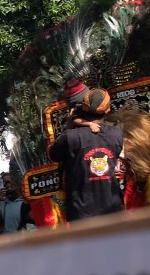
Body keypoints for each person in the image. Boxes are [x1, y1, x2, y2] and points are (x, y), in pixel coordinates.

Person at [49, 87, 125, 222]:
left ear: (84, 108)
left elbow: (52, 154)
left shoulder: (70, 137)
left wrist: (70, 123)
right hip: (113, 211)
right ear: (107, 110)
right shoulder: (116, 135)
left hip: (81, 214)